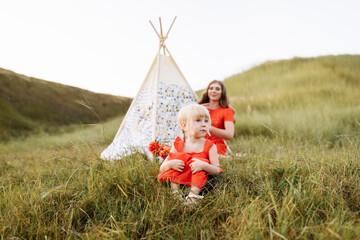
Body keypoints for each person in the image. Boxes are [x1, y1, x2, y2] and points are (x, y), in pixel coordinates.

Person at [158, 104, 222, 203]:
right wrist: (171, 164)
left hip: (198, 182)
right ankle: (176, 193)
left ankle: (193, 196)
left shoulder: (210, 146)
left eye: (206, 121)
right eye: (198, 120)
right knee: (176, 162)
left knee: (199, 163)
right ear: (184, 125)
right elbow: (162, 168)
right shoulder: (178, 145)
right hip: (180, 179)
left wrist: (203, 165)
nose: (204, 124)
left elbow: (217, 170)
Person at [198, 80, 235, 155]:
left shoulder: (227, 111)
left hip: (215, 146)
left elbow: (229, 135)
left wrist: (210, 128)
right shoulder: (200, 108)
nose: (213, 91)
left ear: (222, 92)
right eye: (211, 88)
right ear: (207, 91)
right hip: (197, 144)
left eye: (217, 89)